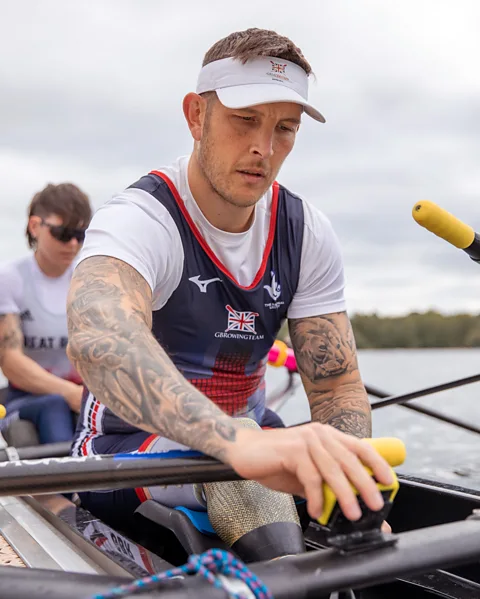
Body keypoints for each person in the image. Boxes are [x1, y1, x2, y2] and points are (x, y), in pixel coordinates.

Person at [66, 28, 393, 529]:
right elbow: (99, 339)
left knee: (357, 484)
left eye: (285, 128)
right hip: (121, 452)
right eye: (246, 120)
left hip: (249, 441)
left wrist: (349, 478)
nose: (264, 147)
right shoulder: (140, 217)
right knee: (245, 453)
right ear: (197, 115)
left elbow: (336, 386)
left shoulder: (307, 232)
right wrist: (235, 440)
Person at [0, 183, 93, 444]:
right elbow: (10, 362)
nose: (73, 244)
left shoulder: (88, 279)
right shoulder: (11, 279)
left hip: (77, 395)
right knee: (55, 406)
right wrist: (68, 392)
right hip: (24, 400)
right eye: (63, 233)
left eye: (80, 234)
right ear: (34, 227)